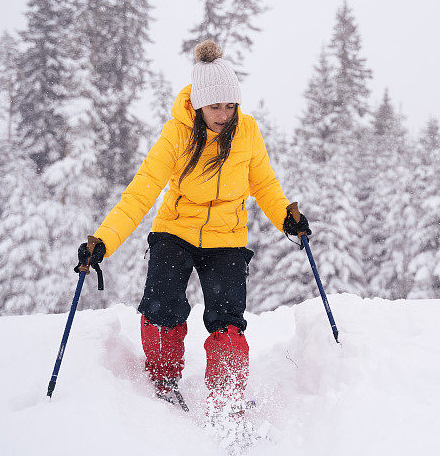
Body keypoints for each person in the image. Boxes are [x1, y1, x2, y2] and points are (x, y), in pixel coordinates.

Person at [77, 39, 311, 415]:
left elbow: (264, 184)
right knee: (162, 305)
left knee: (227, 320)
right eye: (215, 106)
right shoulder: (177, 134)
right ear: (199, 104)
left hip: (227, 235)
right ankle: (164, 382)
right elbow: (140, 193)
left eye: (230, 105)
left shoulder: (247, 131)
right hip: (176, 230)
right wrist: (103, 241)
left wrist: (286, 214)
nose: (223, 114)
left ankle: (228, 397)